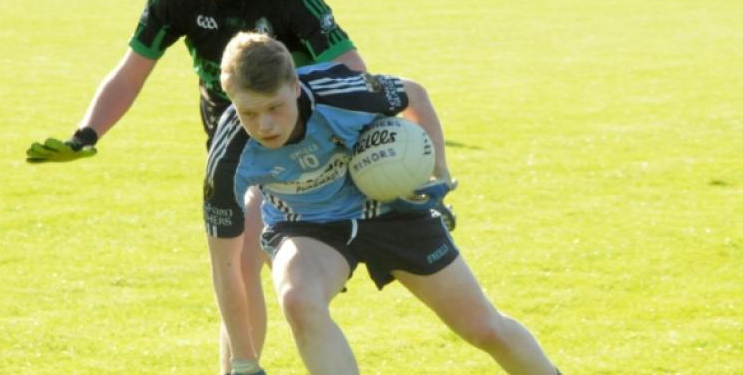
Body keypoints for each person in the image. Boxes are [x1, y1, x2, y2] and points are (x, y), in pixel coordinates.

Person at [26, 0, 367, 375]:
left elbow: (354, 73)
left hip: (306, 153)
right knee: (241, 260)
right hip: (232, 151)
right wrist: (86, 134)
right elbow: (130, 74)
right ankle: (242, 367)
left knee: (287, 282)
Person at [204, 31, 564, 375]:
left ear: (295, 86)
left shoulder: (342, 92)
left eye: (275, 107)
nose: (265, 124)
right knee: (298, 300)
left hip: (392, 210)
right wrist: (244, 363)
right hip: (308, 226)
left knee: (484, 329)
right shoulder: (228, 158)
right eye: (249, 113)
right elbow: (226, 266)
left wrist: (438, 172)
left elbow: (414, 95)